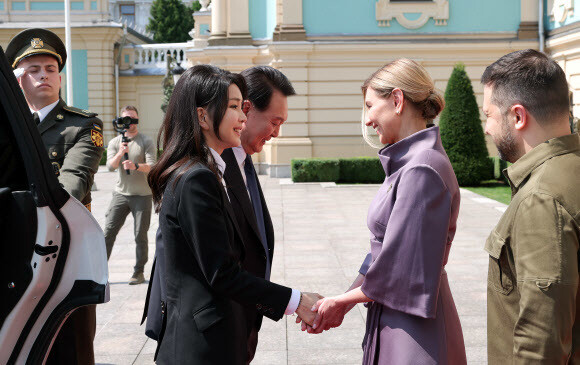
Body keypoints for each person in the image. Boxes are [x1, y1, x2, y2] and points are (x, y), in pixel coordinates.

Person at [147, 64, 321, 364]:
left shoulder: (212, 171)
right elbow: (221, 271)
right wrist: (296, 301)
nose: (243, 117)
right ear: (202, 116)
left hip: (221, 335)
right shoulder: (195, 178)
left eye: (243, 107)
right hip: (200, 346)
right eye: (233, 107)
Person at [300, 59, 467, 364]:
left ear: (397, 100)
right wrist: (345, 302)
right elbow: (384, 257)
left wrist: (341, 301)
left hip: (414, 329)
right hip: (397, 316)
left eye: (369, 106)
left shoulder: (422, 168)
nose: (367, 120)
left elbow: (400, 267)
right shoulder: (412, 163)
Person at [6, 28, 104, 365]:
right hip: (15, 253)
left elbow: (72, 184)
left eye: (50, 69)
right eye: (33, 70)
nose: (43, 76)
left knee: (69, 348)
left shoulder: (82, 127)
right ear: (17, 79)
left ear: (60, 78)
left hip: (67, 254)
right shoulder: (8, 130)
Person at [481, 49, 580, 363]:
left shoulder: (541, 198)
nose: (486, 128)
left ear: (518, 116)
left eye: (489, 115)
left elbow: (543, 340)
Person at [221, 65, 295, 362]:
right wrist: (294, 301)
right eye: (274, 122)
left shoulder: (243, 159)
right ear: (247, 110)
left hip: (243, 319)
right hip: (216, 325)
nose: (277, 133)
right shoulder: (211, 167)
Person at [104, 105, 156, 285]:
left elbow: (152, 167)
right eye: (126, 119)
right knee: (108, 232)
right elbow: (110, 166)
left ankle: (139, 272)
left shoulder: (146, 141)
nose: (129, 123)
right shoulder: (115, 142)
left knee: (140, 235)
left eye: (133, 119)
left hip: (142, 196)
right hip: (121, 194)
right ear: (120, 121)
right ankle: (99, 272)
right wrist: (121, 151)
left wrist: (135, 166)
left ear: (138, 120)